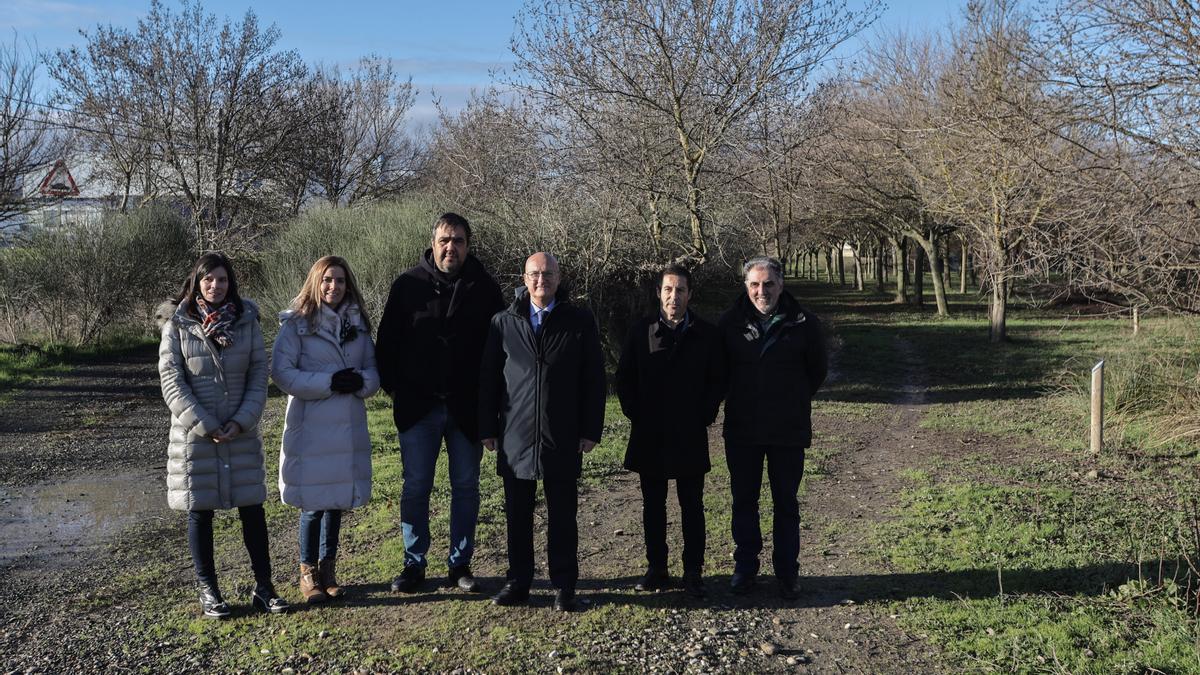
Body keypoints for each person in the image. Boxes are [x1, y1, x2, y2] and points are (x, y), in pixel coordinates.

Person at [375, 213, 504, 594]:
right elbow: (387, 346)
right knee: (416, 487)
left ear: (468, 245)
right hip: (418, 408)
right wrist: (396, 390)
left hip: (467, 409)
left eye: (459, 240)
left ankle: (460, 564)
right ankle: (413, 564)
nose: (452, 247)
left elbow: (497, 354)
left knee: (466, 486)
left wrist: (490, 406)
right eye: (445, 240)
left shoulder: (485, 289)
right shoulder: (406, 286)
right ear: (433, 242)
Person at [157, 252, 289, 618]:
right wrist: (205, 424)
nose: (216, 286)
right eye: (208, 280)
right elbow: (171, 381)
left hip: (239, 431)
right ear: (196, 282)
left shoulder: (247, 321)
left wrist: (241, 420)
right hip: (195, 436)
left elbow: (258, 376)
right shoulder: (178, 325)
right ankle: (209, 590)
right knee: (199, 512)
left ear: (232, 284)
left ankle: (264, 587)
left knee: (252, 509)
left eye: (223, 280)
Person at [479, 252, 606, 611]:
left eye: (548, 274)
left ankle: (564, 584)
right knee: (517, 514)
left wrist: (591, 429)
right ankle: (518, 582)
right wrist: (487, 427)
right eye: (534, 274)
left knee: (563, 515)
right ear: (524, 277)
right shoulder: (503, 322)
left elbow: (593, 380)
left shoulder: (579, 321)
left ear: (559, 277)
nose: (541, 280)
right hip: (515, 435)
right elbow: (488, 379)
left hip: (562, 433)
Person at [271, 256, 379, 603]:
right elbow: (282, 373)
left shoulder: (359, 326)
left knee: (336, 501)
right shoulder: (297, 324)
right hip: (312, 426)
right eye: (327, 280)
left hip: (346, 425)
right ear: (315, 282)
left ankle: (328, 569)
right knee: (313, 504)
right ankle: (307, 573)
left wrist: (359, 381)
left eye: (341, 281)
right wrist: (328, 381)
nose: (334, 287)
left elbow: (374, 372)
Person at [718, 256, 827, 600]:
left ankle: (787, 572)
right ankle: (745, 568)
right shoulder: (728, 324)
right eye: (754, 284)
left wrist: (789, 399)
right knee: (743, 501)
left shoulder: (804, 323)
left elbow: (817, 371)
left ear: (781, 285)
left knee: (786, 503)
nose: (761, 291)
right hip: (742, 429)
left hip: (787, 428)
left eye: (768, 284)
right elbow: (718, 373)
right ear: (746, 286)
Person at [615, 264, 724, 598]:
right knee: (653, 504)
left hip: (689, 432)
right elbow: (624, 378)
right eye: (667, 290)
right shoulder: (640, 330)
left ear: (690, 294)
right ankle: (657, 568)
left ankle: (693, 571)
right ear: (658, 293)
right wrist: (636, 413)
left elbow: (717, 380)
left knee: (692, 504)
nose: (673, 297)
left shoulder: (707, 333)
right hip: (650, 432)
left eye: (680, 290)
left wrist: (704, 414)